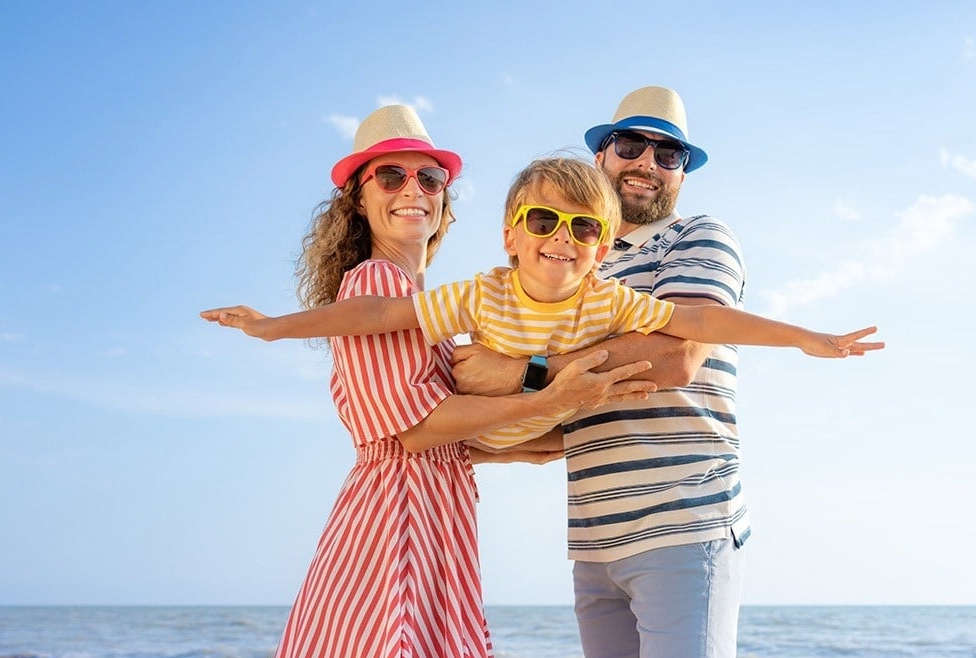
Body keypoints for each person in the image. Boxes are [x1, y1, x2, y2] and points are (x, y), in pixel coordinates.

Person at [202, 104, 656, 658]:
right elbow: (413, 431)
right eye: (390, 176)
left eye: (430, 178)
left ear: (444, 197)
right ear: (358, 201)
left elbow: (442, 438)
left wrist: (529, 442)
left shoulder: (419, 298)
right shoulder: (375, 284)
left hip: (429, 511)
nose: (412, 190)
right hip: (396, 521)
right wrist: (544, 398)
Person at [449, 86, 870, 658]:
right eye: (630, 145)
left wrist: (522, 371)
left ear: (681, 174)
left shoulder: (698, 236)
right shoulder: (583, 266)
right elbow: (573, 416)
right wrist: (478, 445)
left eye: (668, 154)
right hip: (594, 539)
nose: (647, 162)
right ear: (602, 157)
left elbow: (678, 356)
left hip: (685, 523)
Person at [203, 157, 881, 453]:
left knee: (586, 410)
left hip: (530, 440)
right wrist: (273, 327)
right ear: (510, 237)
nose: (563, 239)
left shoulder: (607, 299)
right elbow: (379, 316)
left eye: (585, 229)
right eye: (542, 222)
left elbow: (700, 320)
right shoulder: (481, 294)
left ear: (603, 248)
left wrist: (803, 337)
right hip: (474, 443)